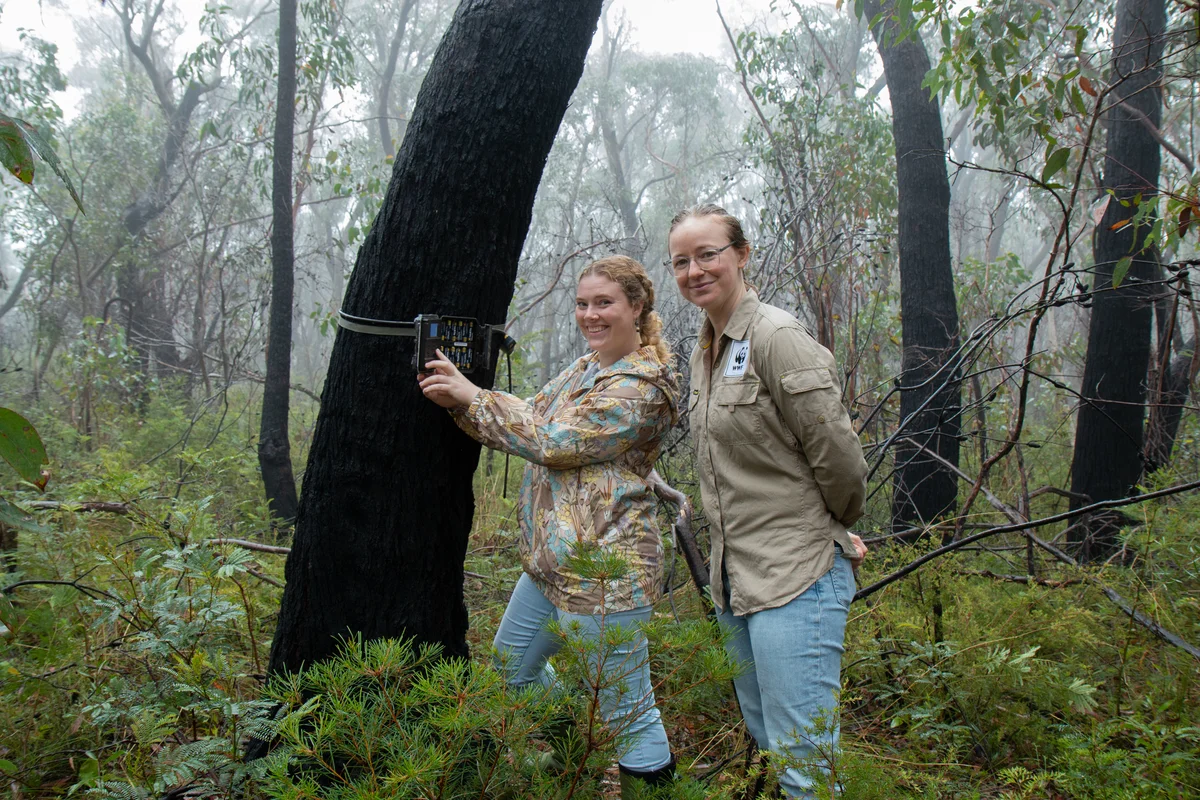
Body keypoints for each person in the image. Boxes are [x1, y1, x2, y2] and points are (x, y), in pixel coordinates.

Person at [419, 255, 680, 795]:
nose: (591, 314)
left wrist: (474, 396)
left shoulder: (644, 385)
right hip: (549, 565)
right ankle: (575, 753)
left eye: (604, 302)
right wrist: (460, 401)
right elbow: (534, 412)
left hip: (608, 571)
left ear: (637, 307)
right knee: (510, 671)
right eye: (583, 303)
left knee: (627, 708)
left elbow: (556, 441)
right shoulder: (586, 368)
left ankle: (646, 783)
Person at [666, 204, 869, 799]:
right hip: (736, 581)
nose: (695, 270)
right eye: (682, 261)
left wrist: (831, 526)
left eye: (708, 254)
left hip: (795, 577)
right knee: (774, 744)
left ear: (742, 254)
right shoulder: (708, 347)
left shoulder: (777, 337)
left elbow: (838, 457)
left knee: (803, 763)